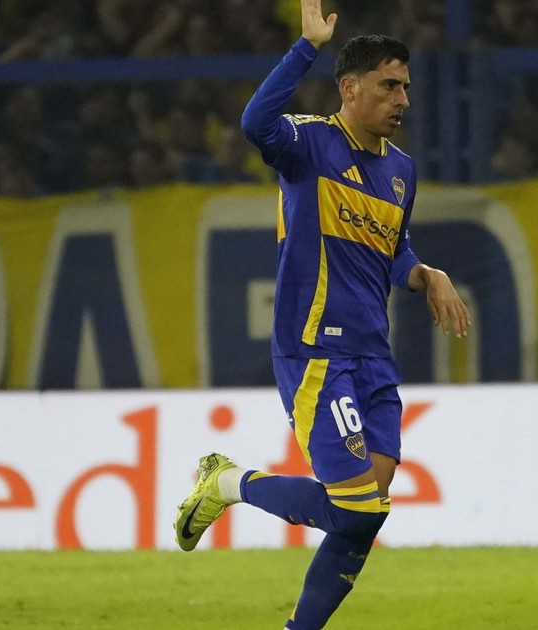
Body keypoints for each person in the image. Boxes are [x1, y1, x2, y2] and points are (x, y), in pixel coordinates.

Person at [172, 1, 471, 628]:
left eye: (406, 87)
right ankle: (227, 483)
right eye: (388, 86)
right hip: (316, 350)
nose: (402, 100)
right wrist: (305, 47)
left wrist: (427, 274)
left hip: (374, 356)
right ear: (350, 88)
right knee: (356, 508)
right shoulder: (308, 144)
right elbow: (254, 123)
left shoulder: (402, 172)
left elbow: (394, 252)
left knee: (367, 513)